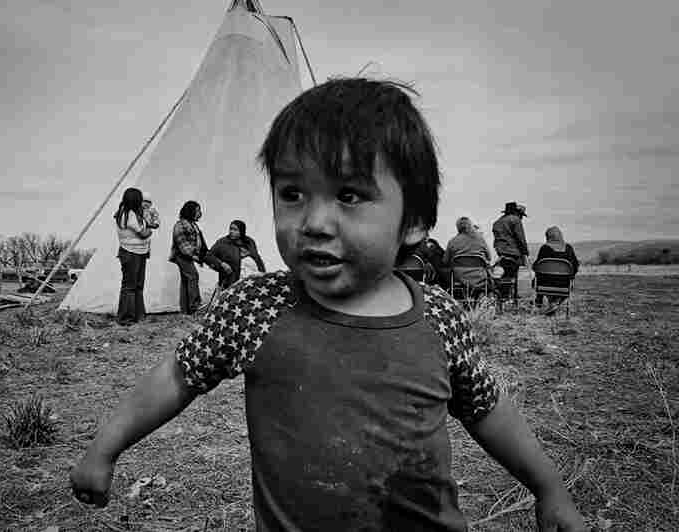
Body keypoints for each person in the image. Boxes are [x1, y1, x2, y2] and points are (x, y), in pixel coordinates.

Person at [70, 78, 586, 531]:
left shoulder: (438, 317)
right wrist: (104, 447)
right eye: (292, 193)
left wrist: (548, 488)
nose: (314, 221)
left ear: (413, 222)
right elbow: (175, 378)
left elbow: (487, 408)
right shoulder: (255, 308)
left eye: (350, 195)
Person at [169, 200, 230, 314]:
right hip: (182, 256)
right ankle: (195, 306)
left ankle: (186, 309)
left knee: (186, 280)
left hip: (189, 255)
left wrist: (209, 259)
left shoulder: (193, 225)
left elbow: (201, 246)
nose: (199, 213)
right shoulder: (180, 225)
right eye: (197, 211)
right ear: (190, 211)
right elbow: (183, 246)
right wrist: (195, 256)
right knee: (193, 276)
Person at [114, 187, 153, 325]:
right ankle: (126, 318)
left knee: (137, 285)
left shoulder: (131, 213)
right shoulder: (128, 214)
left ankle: (137, 315)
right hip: (131, 253)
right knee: (130, 286)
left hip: (138, 252)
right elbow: (143, 232)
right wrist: (149, 231)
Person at [208, 219, 266, 289]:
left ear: (241, 231)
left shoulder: (249, 242)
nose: (231, 231)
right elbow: (208, 256)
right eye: (231, 229)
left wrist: (263, 275)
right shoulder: (222, 243)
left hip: (251, 281)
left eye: (235, 230)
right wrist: (221, 264)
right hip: (232, 282)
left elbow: (257, 258)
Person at [443, 216, 492, 297]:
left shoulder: (452, 241)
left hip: (460, 277)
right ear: (470, 226)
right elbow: (489, 257)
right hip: (479, 277)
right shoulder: (480, 239)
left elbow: (445, 261)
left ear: (457, 227)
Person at [534, 226, 580, 311]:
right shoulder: (568, 248)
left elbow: (535, 267)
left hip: (544, 284)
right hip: (564, 285)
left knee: (538, 277)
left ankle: (539, 301)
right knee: (564, 282)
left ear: (548, 237)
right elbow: (575, 266)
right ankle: (555, 301)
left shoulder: (545, 248)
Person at [492, 201, 529, 282]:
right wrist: (526, 253)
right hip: (513, 254)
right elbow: (521, 239)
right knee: (517, 276)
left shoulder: (497, 222)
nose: (521, 218)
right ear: (517, 213)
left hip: (499, 253)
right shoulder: (515, 220)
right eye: (521, 215)